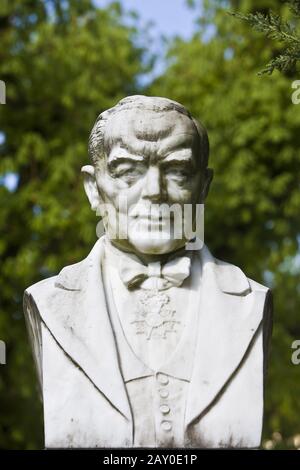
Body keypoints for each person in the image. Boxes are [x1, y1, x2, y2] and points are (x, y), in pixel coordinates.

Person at [24, 95, 272, 448]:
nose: (154, 192)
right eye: (127, 172)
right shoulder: (50, 304)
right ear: (94, 189)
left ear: (203, 187)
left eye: (178, 171)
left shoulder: (250, 304)